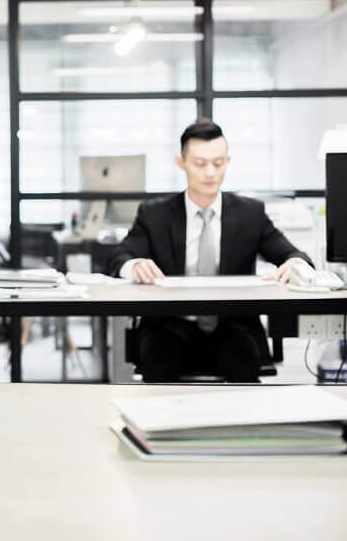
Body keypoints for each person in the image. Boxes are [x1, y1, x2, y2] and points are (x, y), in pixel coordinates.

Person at [106, 118, 313, 383]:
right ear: (181, 163)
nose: (210, 173)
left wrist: (294, 265)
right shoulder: (155, 214)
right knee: (158, 356)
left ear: (228, 161)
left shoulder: (251, 213)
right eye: (200, 164)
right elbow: (117, 258)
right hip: (170, 326)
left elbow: (294, 255)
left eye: (218, 163)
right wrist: (133, 265)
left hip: (232, 326)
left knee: (242, 357)